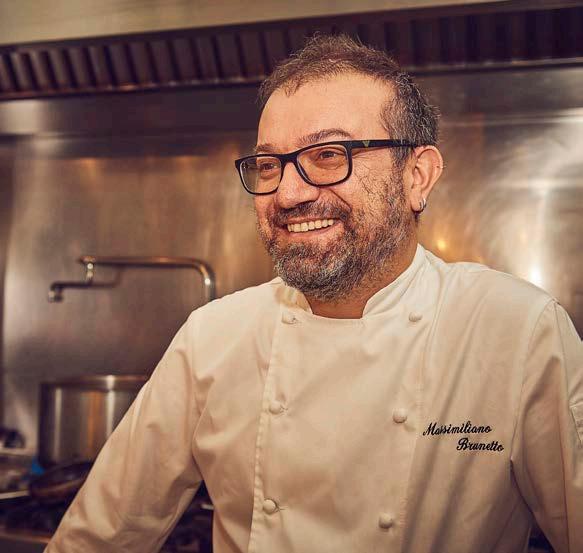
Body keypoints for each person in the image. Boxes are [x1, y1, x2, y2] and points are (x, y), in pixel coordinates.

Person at [46, 34, 582, 553]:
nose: (288, 193)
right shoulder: (212, 339)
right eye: (268, 164)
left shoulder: (517, 333)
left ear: (417, 176)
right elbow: (98, 539)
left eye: (329, 154)